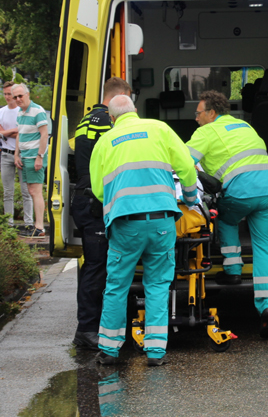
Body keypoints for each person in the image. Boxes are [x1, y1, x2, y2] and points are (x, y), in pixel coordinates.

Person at [90, 95, 198, 367]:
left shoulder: (105, 141)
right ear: (135, 111)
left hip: (125, 223)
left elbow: (99, 190)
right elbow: (187, 166)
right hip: (162, 221)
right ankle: (155, 352)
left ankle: (109, 350)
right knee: (158, 284)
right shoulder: (160, 129)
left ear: (111, 118)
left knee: (117, 286)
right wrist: (189, 197)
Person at [186, 90, 268, 339]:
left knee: (225, 218)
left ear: (211, 113)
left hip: (240, 193)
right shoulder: (244, 126)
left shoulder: (206, 131)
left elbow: (182, 161)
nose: (196, 118)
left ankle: (233, 271)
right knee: (265, 247)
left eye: (198, 113)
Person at [71, 77, 132, 350]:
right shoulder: (110, 123)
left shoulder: (85, 121)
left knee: (94, 266)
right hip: (96, 198)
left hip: (85, 196)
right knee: (98, 268)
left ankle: (95, 327)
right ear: (123, 96)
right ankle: (87, 330)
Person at [0, 82, 34, 234]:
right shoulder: (0, 112)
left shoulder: (21, 111)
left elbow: (22, 133)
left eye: (10, 94)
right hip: (5, 153)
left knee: (26, 191)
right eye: (5, 94)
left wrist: (4, 132)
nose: (7, 97)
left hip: (22, 153)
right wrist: (11, 132)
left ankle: (29, 223)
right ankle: (8, 223)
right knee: (7, 191)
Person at [12, 84, 48, 238]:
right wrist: (16, 154)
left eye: (20, 96)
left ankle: (40, 227)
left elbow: (44, 134)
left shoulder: (37, 111)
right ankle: (36, 225)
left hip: (34, 155)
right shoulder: (20, 112)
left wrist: (40, 156)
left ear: (27, 94)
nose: (18, 99)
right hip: (25, 156)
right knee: (31, 191)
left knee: (36, 191)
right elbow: (19, 134)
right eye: (15, 97)